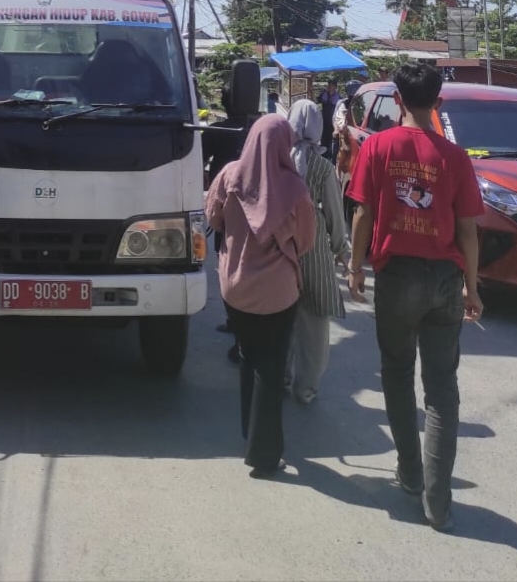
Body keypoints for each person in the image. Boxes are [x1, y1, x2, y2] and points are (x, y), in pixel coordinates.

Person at [347, 61, 484, 533]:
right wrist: (472, 288)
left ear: (397, 101)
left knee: (398, 373)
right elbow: (467, 230)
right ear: (438, 102)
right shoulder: (456, 158)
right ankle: (438, 503)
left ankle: (408, 470)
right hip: (446, 278)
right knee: (442, 390)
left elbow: (363, 214)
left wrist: (355, 266)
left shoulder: (377, 147)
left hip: (396, 275)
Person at [206, 115, 316, 478]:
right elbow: (307, 241)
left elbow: (214, 218)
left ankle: (249, 435)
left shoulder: (229, 176)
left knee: (248, 359)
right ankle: (264, 455)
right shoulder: (295, 189)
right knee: (271, 370)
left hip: (235, 288)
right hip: (278, 294)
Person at [285, 100, 347, 405]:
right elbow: (335, 214)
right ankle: (306, 387)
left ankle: (281, 376)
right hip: (314, 252)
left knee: (283, 318)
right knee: (315, 326)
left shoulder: (278, 159)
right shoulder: (323, 168)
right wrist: (342, 250)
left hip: (281, 250)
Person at [316, 79, 340, 157]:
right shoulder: (324, 94)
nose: (330, 87)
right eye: (329, 85)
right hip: (324, 119)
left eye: (332, 85)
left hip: (332, 120)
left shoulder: (338, 97)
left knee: (331, 137)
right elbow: (317, 100)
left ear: (335, 87)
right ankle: (323, 153)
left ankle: (330, 154)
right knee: (323, 136)